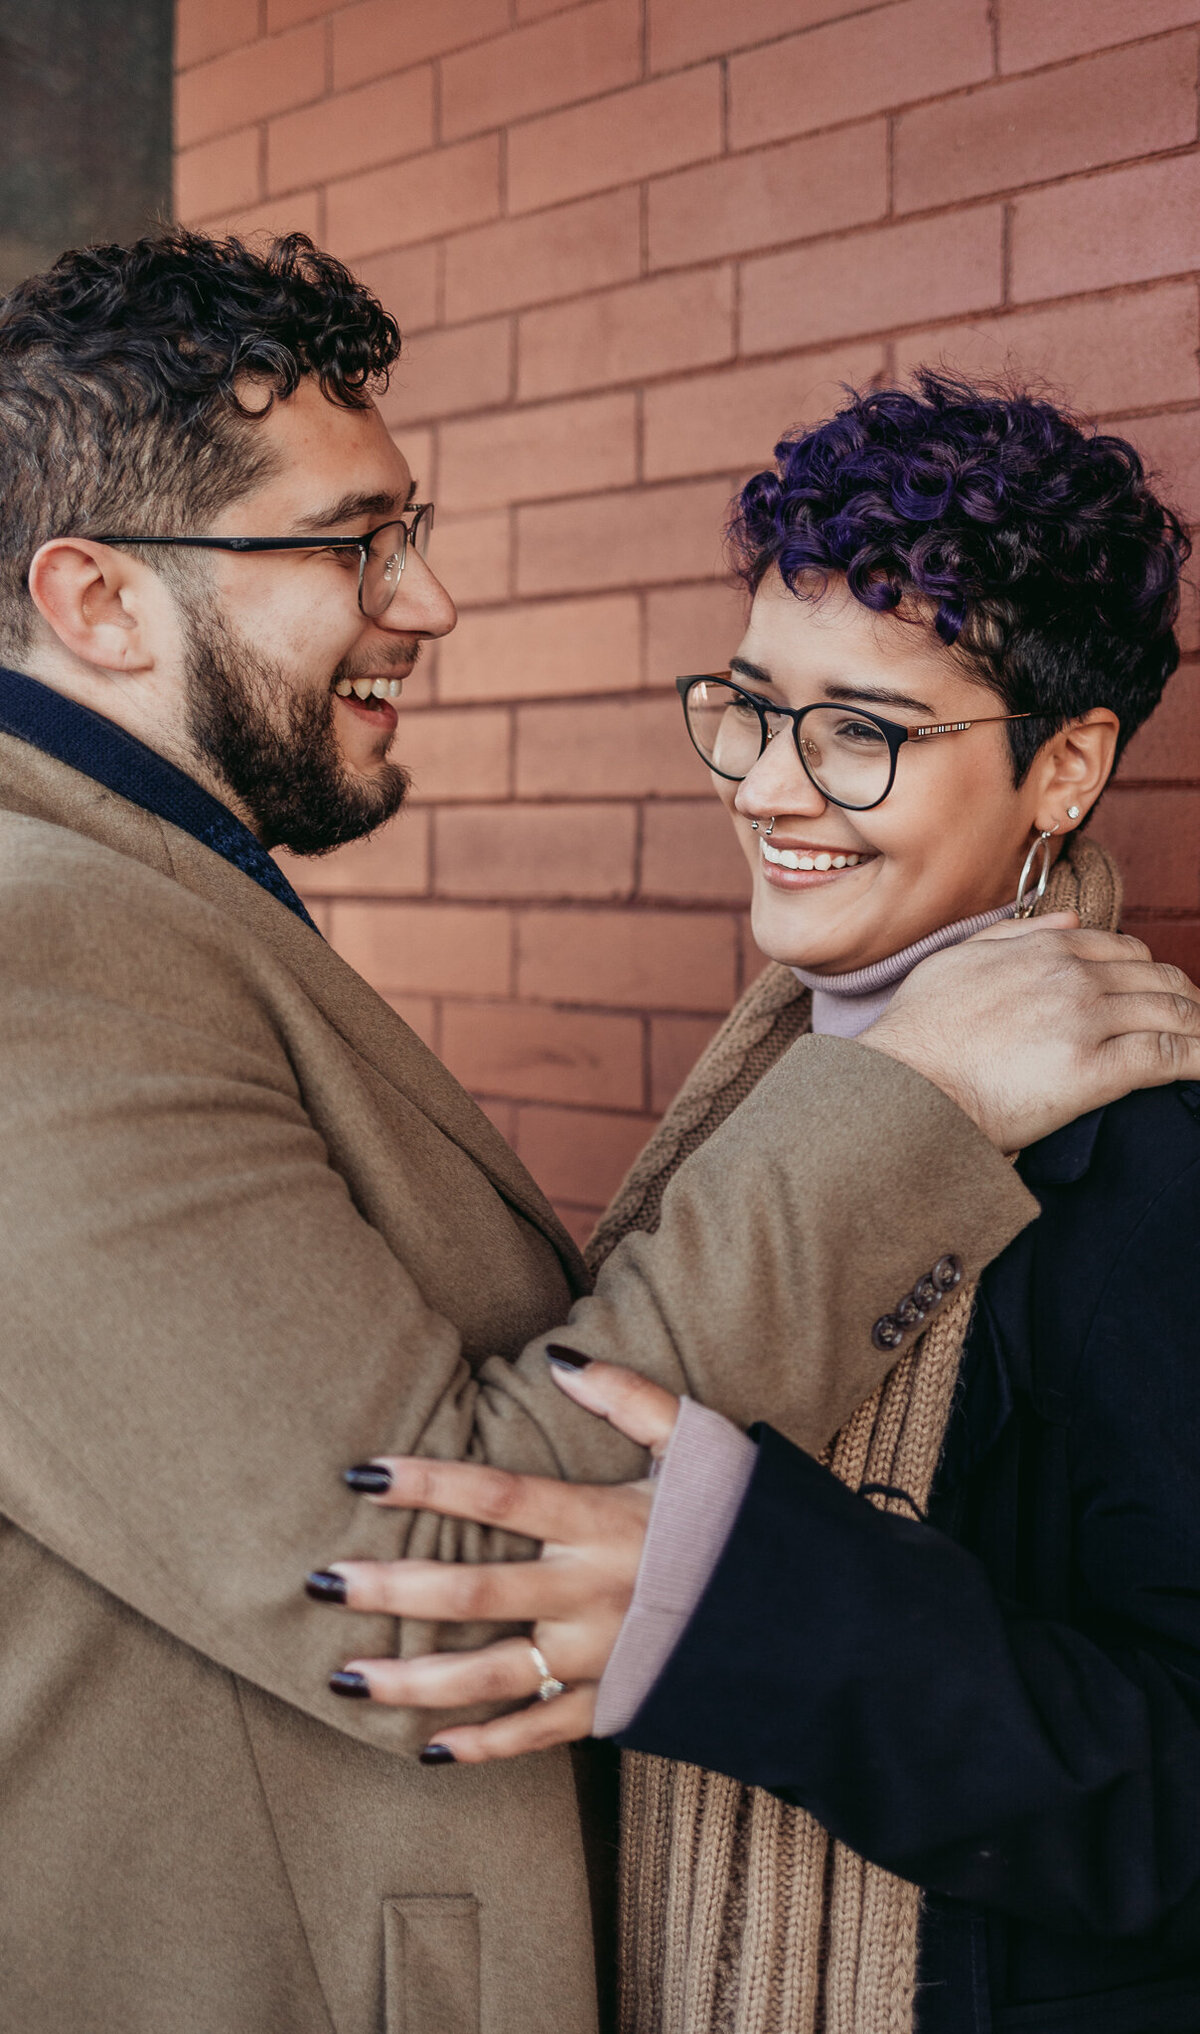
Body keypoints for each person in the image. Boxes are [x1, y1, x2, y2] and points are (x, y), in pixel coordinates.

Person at [314, 376, 1200, 2034]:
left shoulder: (1144, 1174)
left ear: (1065, 766)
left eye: (863, 731)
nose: (770, 788)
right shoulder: (760, 1099)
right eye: (748, 704)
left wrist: (750, 1603)